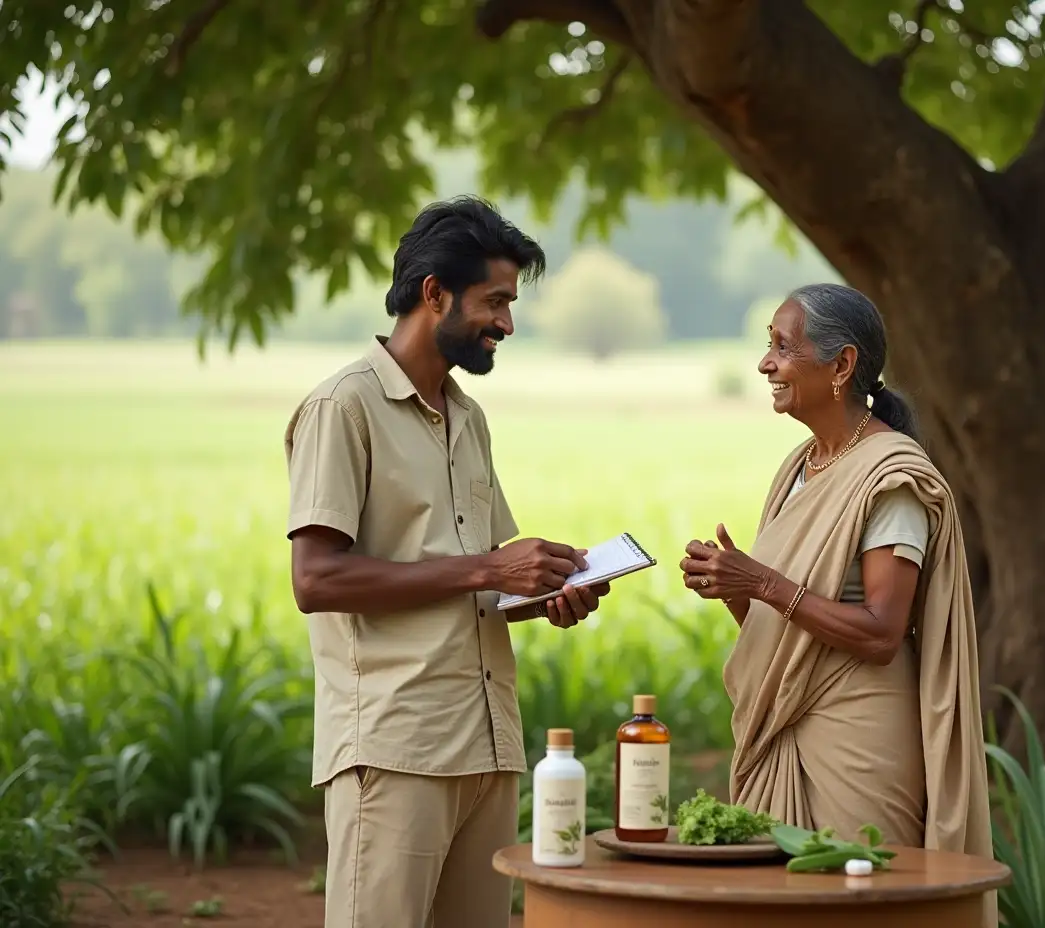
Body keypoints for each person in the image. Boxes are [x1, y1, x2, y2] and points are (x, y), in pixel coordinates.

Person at [284, 195, 610, 928]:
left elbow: (484, 575)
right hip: (395, 749)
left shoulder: (468, 416)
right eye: (495, 301)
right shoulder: (344, 408)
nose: (507, 323)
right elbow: (317, 580)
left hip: (487, 746)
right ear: (435, 293)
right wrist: (491, 571)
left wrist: (546, 589)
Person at [679, 283, 995, 926]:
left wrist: (763, 582)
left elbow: (881, 633)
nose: (765, 363)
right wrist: (739, 591)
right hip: (785, 724)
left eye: (782, 348)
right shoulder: (799, 467)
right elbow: (787, 636)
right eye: (767, 347)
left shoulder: (891, 479)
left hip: (859, 739)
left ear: (842, 365)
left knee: (858, 910)